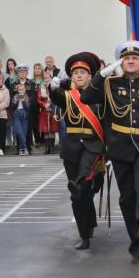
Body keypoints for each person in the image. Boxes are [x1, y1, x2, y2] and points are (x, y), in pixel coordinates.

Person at [81, 40, 139, 261]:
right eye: (126, 58)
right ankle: (138, 237)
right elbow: (86, 98)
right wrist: (101, 75)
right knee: (127, 197)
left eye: (135, 58)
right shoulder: (109, 83)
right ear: (120, 62)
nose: (131, 61)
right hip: (119, 148)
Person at [49, 52, 104, 250]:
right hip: (72, 147)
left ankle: (87, 225)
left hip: (93, 146)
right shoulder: (67, 95)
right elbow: (55, 97)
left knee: (82, 184)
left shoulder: (99, 95)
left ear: (90, 76)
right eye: (75, 73)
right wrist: (52, 87)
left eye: (82, 72)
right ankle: (84, 232)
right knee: (78, 195)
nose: (79, 76)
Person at [37, 70, 59, 154]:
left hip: (53, 110)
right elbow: (38, 99)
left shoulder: (54, 86)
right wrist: (44, 104)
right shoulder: (40, 87)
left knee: (52, 129)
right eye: (44, 78)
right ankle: (47, 148)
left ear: (50, 78)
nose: (46, 79)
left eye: (48, 77)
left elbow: (57, 97)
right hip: (44, 111)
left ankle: (52, 147)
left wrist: (51, 104)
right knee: (46, 130)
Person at [11, 83, 30, 155]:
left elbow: (28, 107)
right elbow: (12, 107)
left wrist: (24, 101)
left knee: (24, 133)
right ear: (17, 90)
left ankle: (21, 149)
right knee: (19, 132)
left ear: (25, 90)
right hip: (17, 115)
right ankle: (25, 148)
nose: (21, 91)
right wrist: (15, 101)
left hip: (24, 116)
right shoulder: (15, 96)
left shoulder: (27, 97)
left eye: (22, 89)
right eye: (19, 89)